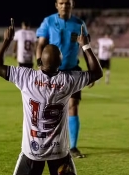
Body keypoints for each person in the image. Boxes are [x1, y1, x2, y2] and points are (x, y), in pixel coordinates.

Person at [0, 18, 103, 175]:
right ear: (60, 63)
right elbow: (97, 72)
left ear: (40, 61)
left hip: (32, 151)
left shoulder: (26, 77)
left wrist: (6, 41)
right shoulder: (68, 80)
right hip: (59, 152)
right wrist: (85, 45)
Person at [36, 0, 93, 158]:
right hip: (52, 72)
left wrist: (91, 71)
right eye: (61, 3)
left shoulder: (79, 24)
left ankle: (73, 147)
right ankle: (46, 143)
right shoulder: (48, 21)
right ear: (56, 5)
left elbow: (86, 46)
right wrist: (39, 64)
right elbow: (40, 45)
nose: (64, 6)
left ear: (72, 4)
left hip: (73, 71)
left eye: (67, 3)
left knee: (73, 106)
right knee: (49, 108)